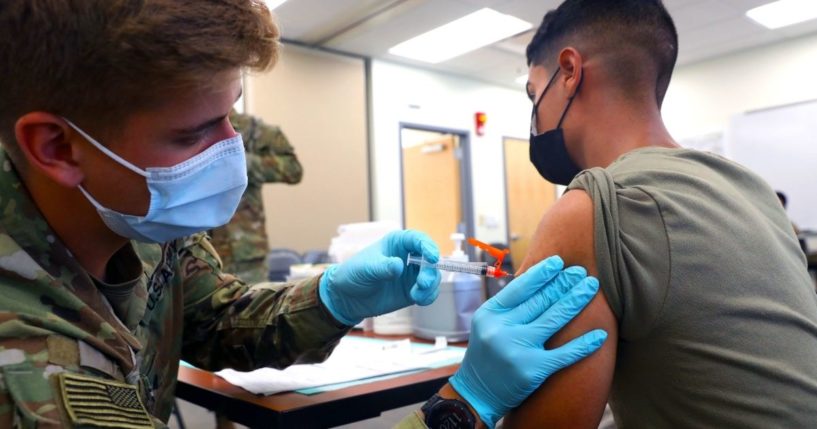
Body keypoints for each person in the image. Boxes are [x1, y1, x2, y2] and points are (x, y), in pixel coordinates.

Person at [0, 2, 607, 428]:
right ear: (57, 148)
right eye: (191, 135)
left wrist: (335, 299)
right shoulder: (23, 364)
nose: (230, 150)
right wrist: (465, 403)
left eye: (230, 114)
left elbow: (214, 321)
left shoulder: (139, 216)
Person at [501, 0, 817, 428]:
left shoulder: (592, 207)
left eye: (535, 93)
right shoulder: (753, 190)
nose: (535, 118)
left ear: (570, 71)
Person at [209, 111, 303, 284]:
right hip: (199, 249)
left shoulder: (252, 129)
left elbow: (293, 170)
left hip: (243, 251)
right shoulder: (191, 126)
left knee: (249, 305)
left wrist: (243, 163)